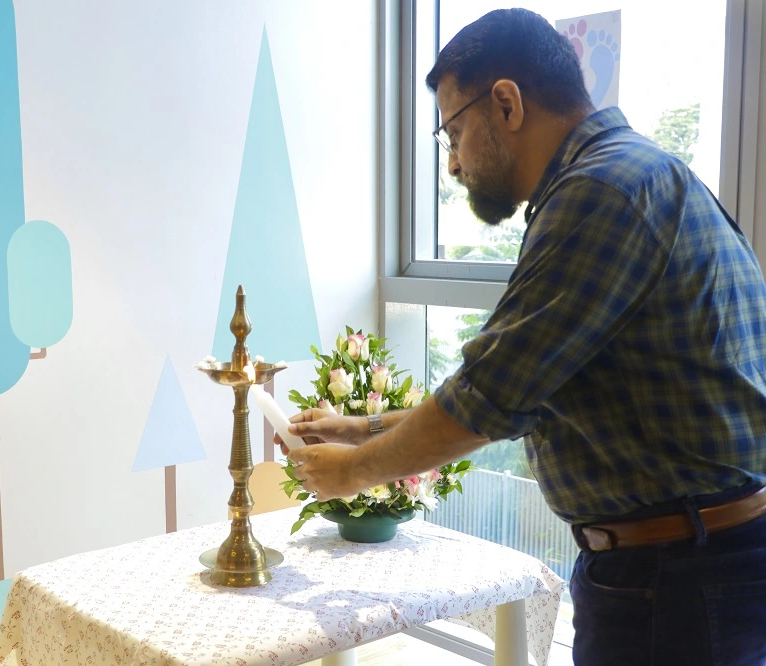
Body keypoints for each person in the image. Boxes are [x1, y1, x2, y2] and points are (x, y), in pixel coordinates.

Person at [281, 8, 766, 665]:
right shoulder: (639, 174)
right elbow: (528, 397)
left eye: (452, 132)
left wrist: (351, 473)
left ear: (506, 102)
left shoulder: (600, 192)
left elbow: (488, 399)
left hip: (674, 581)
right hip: (689, 564)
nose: (452, 164)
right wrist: (358, 429)